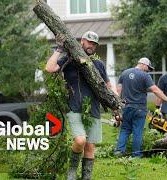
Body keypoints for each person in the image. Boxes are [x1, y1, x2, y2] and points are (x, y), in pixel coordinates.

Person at [45, 31, 110, 180]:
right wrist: (59, 49)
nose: (91, 46)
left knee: (90, 147)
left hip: (93, 109)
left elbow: (107, 86)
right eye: (89, 42)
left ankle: (86, 177)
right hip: (74, 108)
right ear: (82, 41)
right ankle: (72, 172)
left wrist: (116, 104)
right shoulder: (69, 61)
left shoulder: (98, 64)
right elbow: (49, 68)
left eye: (94, 44)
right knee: (80, 140)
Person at [115, 57, 167, 157]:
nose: (148, 71)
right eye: (148, 68)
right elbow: (155, 90)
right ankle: (136, 155)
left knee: (125, 129)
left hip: (126, 107)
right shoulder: (144, 76)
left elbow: (118, 90)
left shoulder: (124, 73)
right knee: (137, 131)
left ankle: (119, 152)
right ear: (143, 64)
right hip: (139, 108)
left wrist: (118, 106)